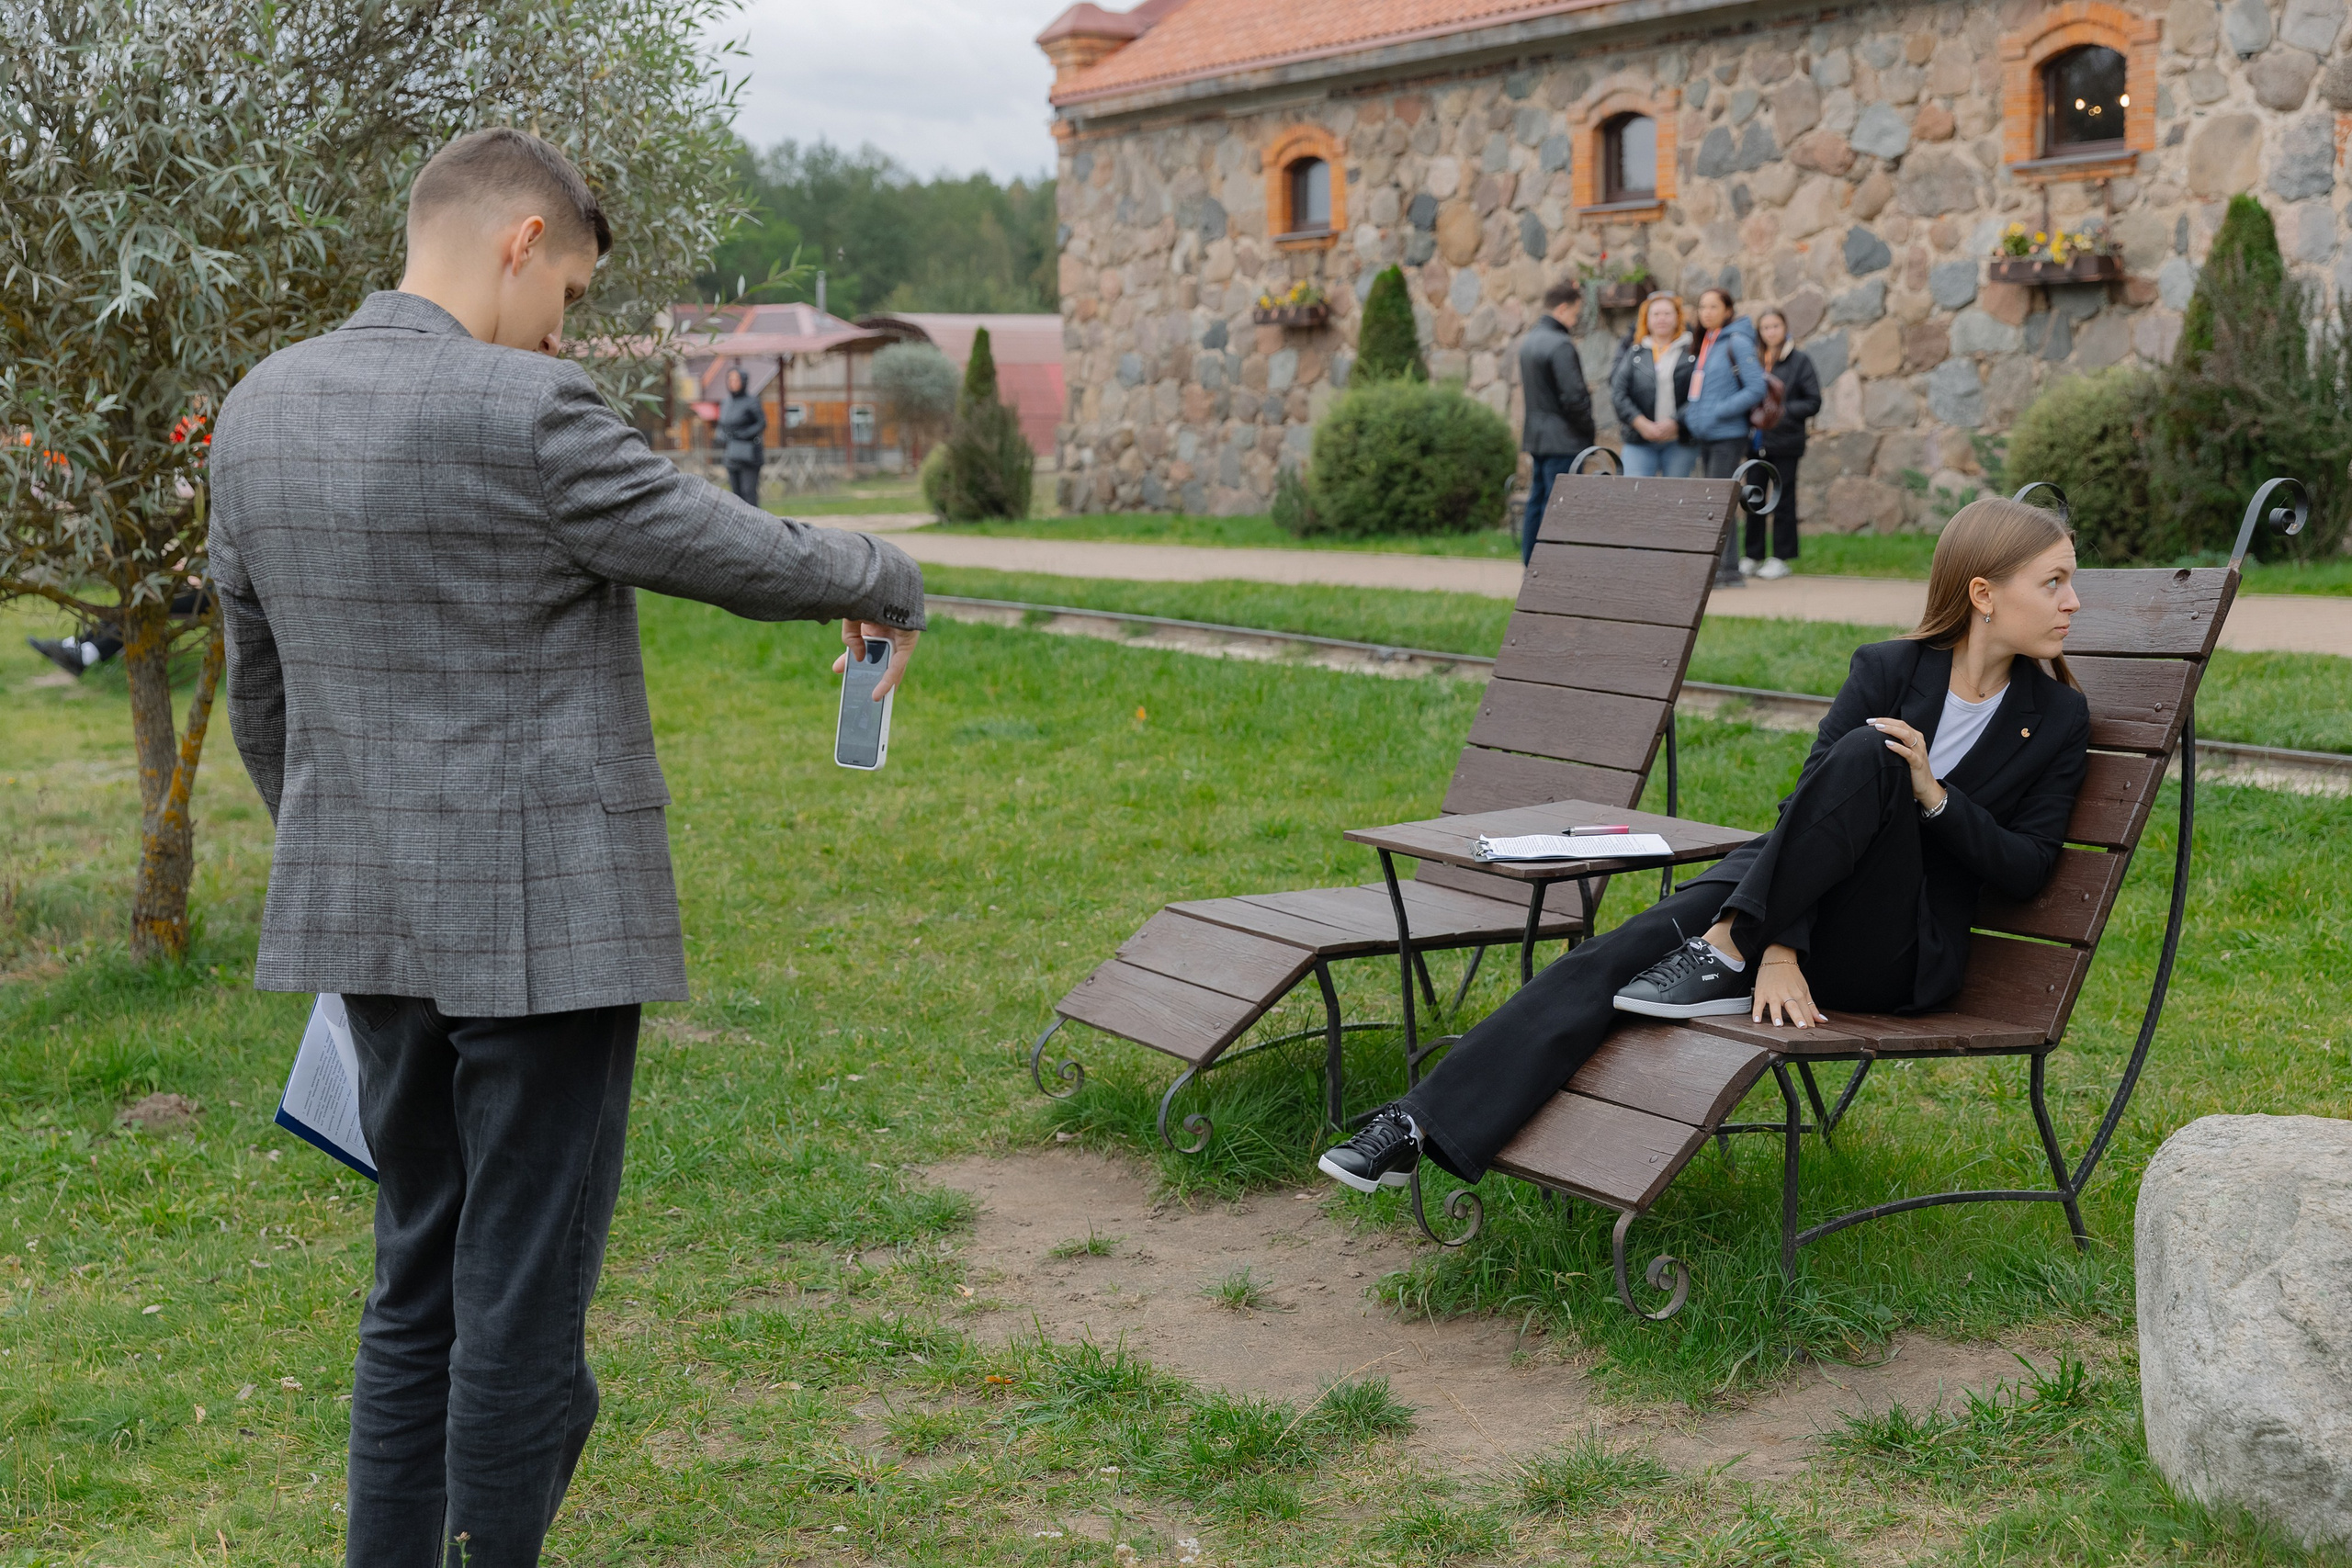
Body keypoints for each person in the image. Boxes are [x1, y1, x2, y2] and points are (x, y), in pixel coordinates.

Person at [208, 128, 925, 1568]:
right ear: (522, 237)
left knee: (417, 1277)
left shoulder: (257, 409)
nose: (566, 325)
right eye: (574, 289)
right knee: (524, 1296)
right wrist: (883, 573)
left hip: (372, 919)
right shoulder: (528, 408)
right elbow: (718, 545)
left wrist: (346, 862)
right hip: (548, 935)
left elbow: (259, 688)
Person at [1317, 496, 2089, 1196]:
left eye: (2069, 583)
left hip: (1891, 950)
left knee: (1871, 755)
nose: (2072, 602)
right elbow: (1808, 810)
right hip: (1786, 906)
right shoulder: (1888, 667)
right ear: (1984, 594)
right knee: (1614, 956)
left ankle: (1728, 942)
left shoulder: (2055, 718)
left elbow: (2025, 868)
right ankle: (1417, 1126)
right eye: (2053, 582)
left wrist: (1934, 794)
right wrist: (1781, 944)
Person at [1680, 285, 1770, 588]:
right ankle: (1724, 568)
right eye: (1702, 307)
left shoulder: (1737, 342)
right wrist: (1692, 416)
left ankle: (1728, 571)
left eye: (1713, 307)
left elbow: (1756, 388)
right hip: (1706, 434)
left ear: (1728, 311)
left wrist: (1719, 411)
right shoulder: (1708, 341)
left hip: (1727, 435)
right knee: (1715, 501)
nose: (1706, 313)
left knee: (1720, 501)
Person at [1515, 277, 1595, 562]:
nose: (1575, 320)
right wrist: (1588, 430)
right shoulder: (1560, 344)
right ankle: (1555, 567)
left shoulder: (1530, 340)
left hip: (1538, 437)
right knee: (1560, 506)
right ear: (1562, 308)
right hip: (1564, 439)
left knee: (1537, 502)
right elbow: (1574, 398)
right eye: (1575, 313)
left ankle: (1531, 564)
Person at [1744, 308, 1821, 581]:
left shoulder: (1799, 361)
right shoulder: (1753, 361)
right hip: (1756, 443)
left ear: (1784, 327)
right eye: (1765, 327)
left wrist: (1781, 411)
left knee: (1783, 500)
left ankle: (1780, 557)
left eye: (1775, 326)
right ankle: (1752, 555)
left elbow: (1813, 401)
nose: (1771, 331)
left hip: (1786, 442)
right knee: (1752, 496)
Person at [1608, 293, 1695, 479]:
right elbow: (1618, 392)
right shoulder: (1636, 352)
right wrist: (1640, 423)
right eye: (1655, 314)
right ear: (1646, 320)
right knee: (1634, 495)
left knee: (1676, 499)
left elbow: (1699, 393)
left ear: (1677, 317)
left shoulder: (1692, 351)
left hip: (1679, 441)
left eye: (1667, 313)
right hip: (1640, 439)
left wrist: (1676, 422)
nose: (1661, 319)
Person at [718, 365, 765, 507]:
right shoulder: (726, 402)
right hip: (731, 453)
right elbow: (722, 424)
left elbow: (761, 423)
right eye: (730, 379)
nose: (732, 382)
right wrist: (722, 435)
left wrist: (743, 434)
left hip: (749, 455)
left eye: (736, 379)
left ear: (743, 381)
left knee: (748, 492)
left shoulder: (752, 401)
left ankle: (755, 525)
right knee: (735, 493)